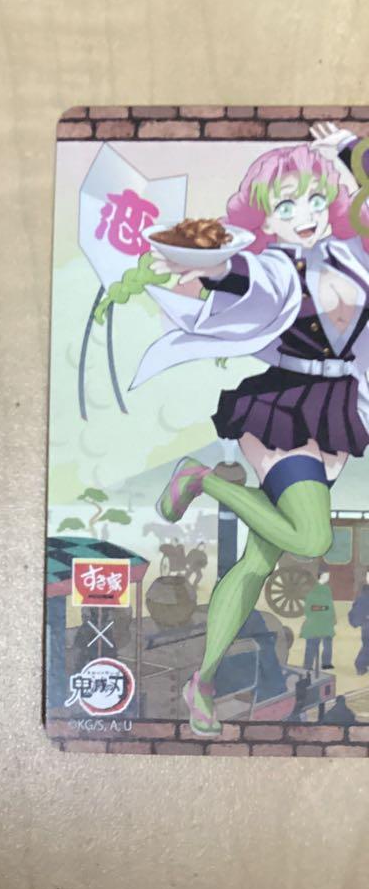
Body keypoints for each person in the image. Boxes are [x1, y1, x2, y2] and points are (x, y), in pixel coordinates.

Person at [141, 122, 369, 735]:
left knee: (255, 563)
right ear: (264, 217)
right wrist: (211, 268)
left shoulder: (353, 251)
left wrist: (351, 152)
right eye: (286, 206)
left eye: (316, 200)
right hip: (283, 409)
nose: (305, 216)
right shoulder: (270, 265)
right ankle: (204, 480)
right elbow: (239, 276)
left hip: (337, 410)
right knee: (313, 539)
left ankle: (201, 681)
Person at [300, 570, 336, 672]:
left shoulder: (327, 589)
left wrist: (332, 617)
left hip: (326, 622)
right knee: (312, 644)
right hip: (315, 622)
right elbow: (309, 608)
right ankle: (308, 665)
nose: (328, 577)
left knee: (327, 644)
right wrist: (325, 608)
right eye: (327, 575)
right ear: (322, 576)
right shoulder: (313, 589)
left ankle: (326, 663)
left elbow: (330, 605)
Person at [349, 571, 369, 674]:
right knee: (367, 646)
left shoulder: (364, 594)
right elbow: (358, 610)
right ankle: (360, 665)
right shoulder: (364, 595)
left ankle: (361, 665)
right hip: (367, 625)